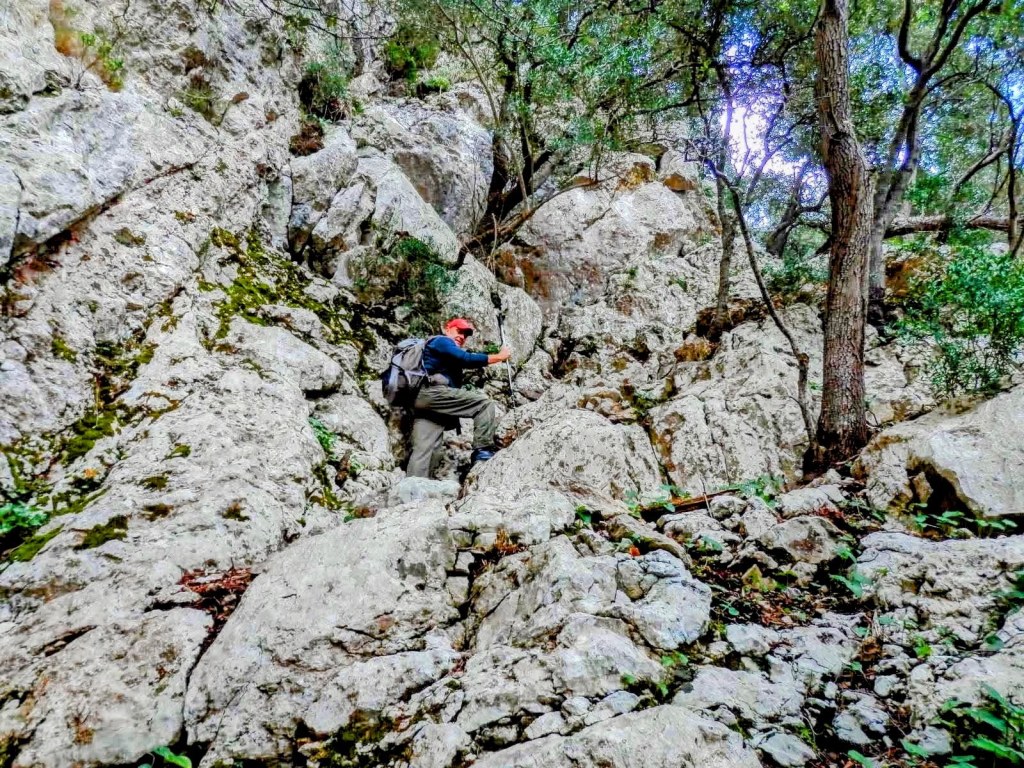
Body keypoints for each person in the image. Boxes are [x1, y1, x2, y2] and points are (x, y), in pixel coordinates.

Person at [406, 318, 511, 478]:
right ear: (447, 328)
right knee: (483, 404)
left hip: (422, 400)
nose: (462, 336)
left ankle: (413, 492)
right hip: (432, 393)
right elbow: (465, 359)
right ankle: (482, 451)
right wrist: (500, 356)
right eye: (459, 331)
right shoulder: (442, 341)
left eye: (466, 334)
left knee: (427, 450)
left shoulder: (436, 351)